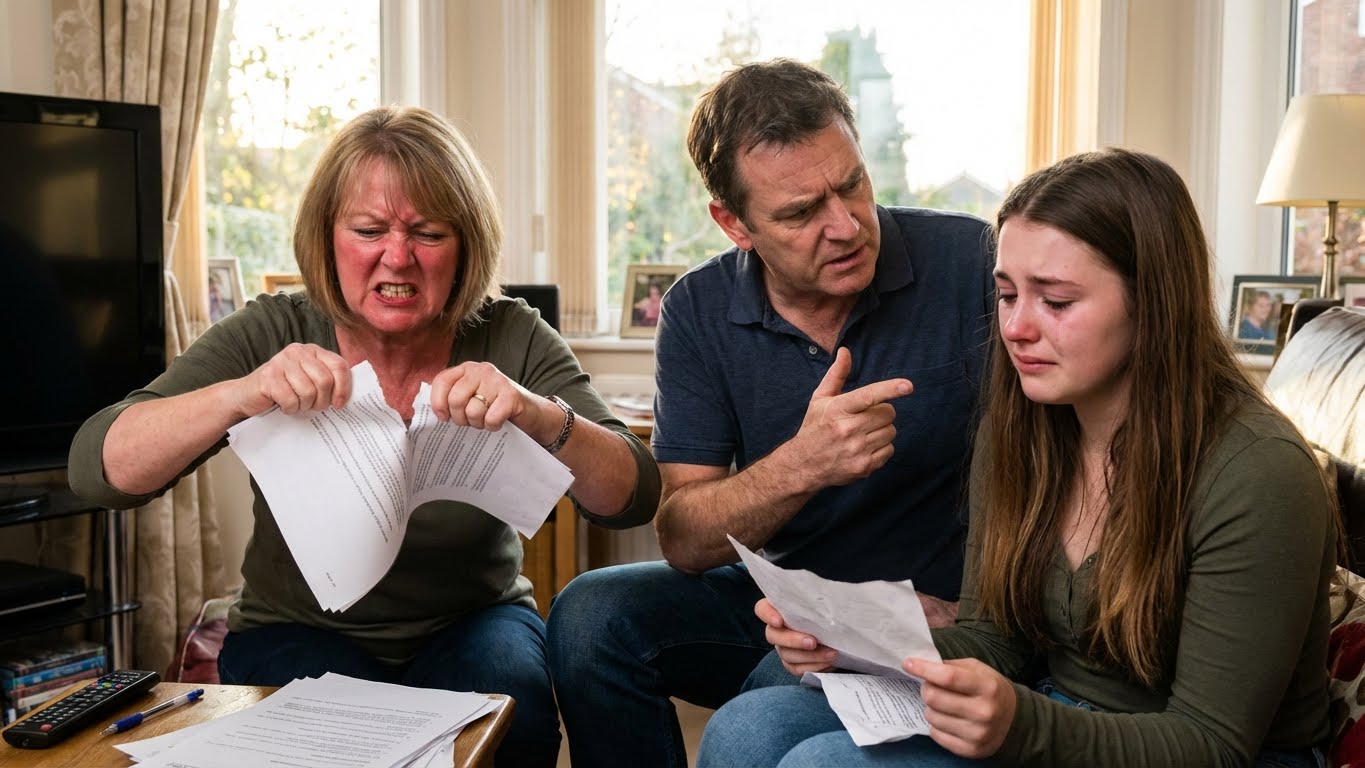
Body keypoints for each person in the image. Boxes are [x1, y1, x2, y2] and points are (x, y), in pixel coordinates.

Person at [697, 147, 1338, 767]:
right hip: (1057, 710)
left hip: (1213, 751)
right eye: (1007, 295)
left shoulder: (1258, 471)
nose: (1017, 328)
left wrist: (1020, 724)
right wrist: (851, 642)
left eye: (1056, 302)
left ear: (1154, 303)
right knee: (748, 726)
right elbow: (992, 637)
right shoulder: (1024, 426)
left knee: (825, 764)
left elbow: (1212, 745)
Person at [67, 105, 662, 768]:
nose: (397, 256)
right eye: (369, 229)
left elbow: (632, 495)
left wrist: (539, 414)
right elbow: (98, 470)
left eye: (428, 233)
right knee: (327, 739)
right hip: (297, 626)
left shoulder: (510, 333)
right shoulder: (273, 330)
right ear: (328, 238)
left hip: (473, 619)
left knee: (512, 708)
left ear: (466, 243)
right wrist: (243, 393)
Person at [547, 58, 995, 767]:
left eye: (851, 185)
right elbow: (684, 538)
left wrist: (973, 613)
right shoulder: (697, 308)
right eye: (799, 213)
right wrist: (803, 465)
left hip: (939, 607)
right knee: (588, 613)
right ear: (733, 223)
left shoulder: (969, 259)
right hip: (786, 602)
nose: (845, 225)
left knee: (754, 724)